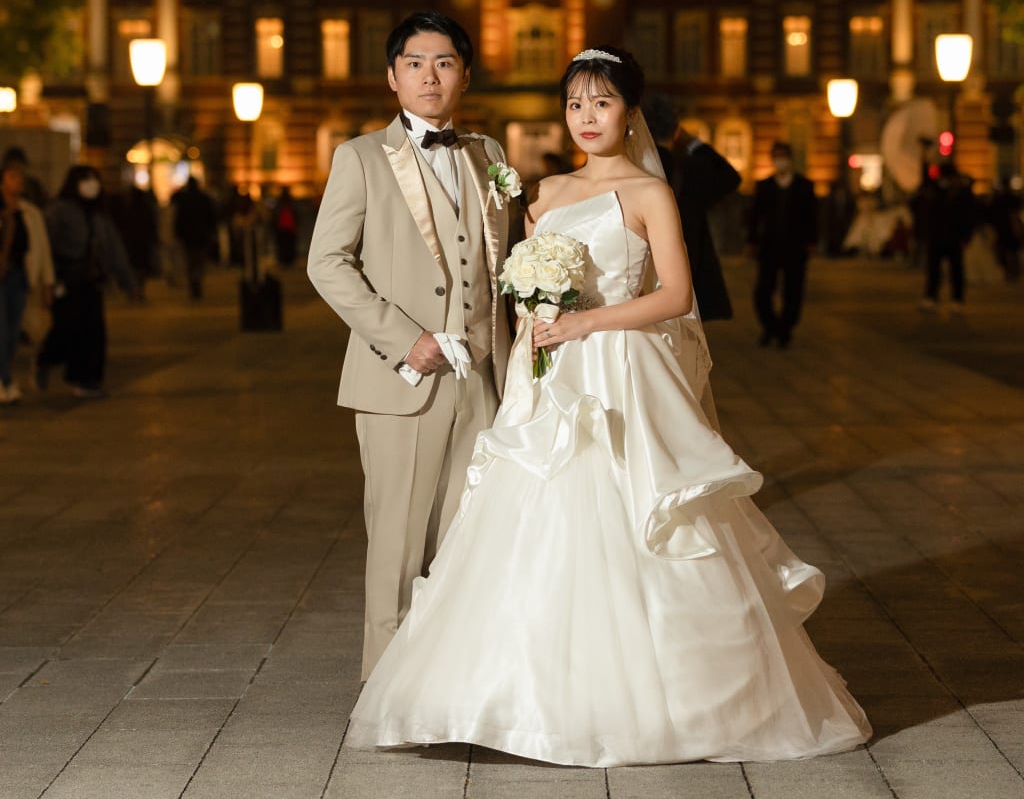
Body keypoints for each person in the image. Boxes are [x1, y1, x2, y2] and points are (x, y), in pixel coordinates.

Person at [345, 47, 871, 766]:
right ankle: (521, 695)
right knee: (536, 527)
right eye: (574, 105)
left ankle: (663, 699)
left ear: (630, 113)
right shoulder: (544, 192)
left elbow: (677, 296)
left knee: (638, 524)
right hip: (547, 375)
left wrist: (587, 321)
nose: (586, 118)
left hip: (621, 372)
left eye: (601, 103)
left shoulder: (651, 193)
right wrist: (532, 313)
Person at [307, 11, 513, 679]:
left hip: (483, 379)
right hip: (402, 381)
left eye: (446, 62)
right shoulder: (360, 156)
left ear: (465, 75)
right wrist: (405, 340)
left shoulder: (490, 156)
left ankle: (448, 682)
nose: (431, 75)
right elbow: (328, 262)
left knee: (466, 538)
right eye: (417, 62)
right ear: (393, 75)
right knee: (396, 540)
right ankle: (385, 682)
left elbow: (500, 265)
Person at [36, 166, 138, 398]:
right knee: (67, 329)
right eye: (86, 180)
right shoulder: (58, 211)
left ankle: (88, 380)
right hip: (66, 280)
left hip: (91, 281)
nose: (91, 185)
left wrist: (128, 281)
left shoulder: (99, 215)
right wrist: (47, 280)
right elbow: (45, 246)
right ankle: (47, 360)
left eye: (94, 180)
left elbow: (114, 250)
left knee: (93, 332)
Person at [646, 94, 741, 320]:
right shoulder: (694, 166)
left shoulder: (634, 166)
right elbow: (731, 178)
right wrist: (694, 144)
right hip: (689, 261)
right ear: (677, 131)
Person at [747, 141, 818, 348]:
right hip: (769, 246)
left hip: (796, 247)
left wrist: (812, 242)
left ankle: (785, 329)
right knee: (763, 290)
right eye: (776, 156)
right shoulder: (764, 186)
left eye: (783, 156)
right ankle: (770, 326)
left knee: (793, 290)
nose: (780, 160)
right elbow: (755, 217)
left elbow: (811, 217)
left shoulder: (805, 186)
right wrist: (751, 242)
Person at [0, 154, 54, 402]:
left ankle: (6, 377)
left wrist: (46, 282)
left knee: (13, 332)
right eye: (12, 177)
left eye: (20, 177)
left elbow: (40, 248)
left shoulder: (29, 212)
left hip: (19, 276)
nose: (17, 181)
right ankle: (5, 380)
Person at [915, 161, 976, 311]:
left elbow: (968, 216)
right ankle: (932, 297)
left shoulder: (961, 192)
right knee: (934, 269)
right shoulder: (936, 191)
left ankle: (957, 298)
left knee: (956, 269)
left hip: (953, 237)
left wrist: (966, 236)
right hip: (938, 236)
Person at [171, 176, 218, 300]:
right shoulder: (204, 199)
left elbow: (179, 219)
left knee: (191, 262)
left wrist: (178, 234)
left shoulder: (185, 200)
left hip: (189, 237)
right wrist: (212, 233)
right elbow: (212, 218)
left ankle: (194, 283)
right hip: (202, 236)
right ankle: (197, 281)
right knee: (199, 261)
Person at [273, 185, 299, 267]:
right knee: (287, 245)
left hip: (284, 228)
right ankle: (287, 260)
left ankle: (285, 260)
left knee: (284, 245)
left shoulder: (280, 203)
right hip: (287, 228)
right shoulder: (290, 203)